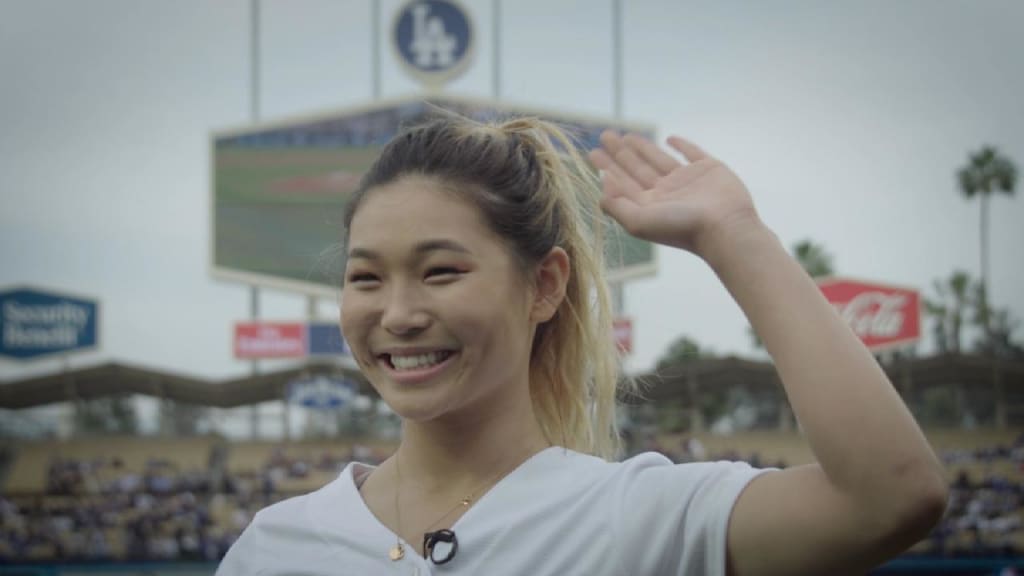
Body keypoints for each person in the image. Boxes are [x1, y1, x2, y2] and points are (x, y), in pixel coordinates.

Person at [216, 112, 948, 575]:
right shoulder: (274, 546)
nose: (399, 313)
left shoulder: (642, 519)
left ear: (544, 286)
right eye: (366, 278)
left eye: (441, 272)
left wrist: (735, 237)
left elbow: (889, 498)